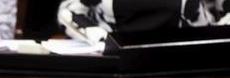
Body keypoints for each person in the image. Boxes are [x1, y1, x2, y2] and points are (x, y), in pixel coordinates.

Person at [58, 0, 230, 44]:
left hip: (195, 63)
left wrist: (215, 39)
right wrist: (97, 37)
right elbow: (69, 11)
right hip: (119, 65)